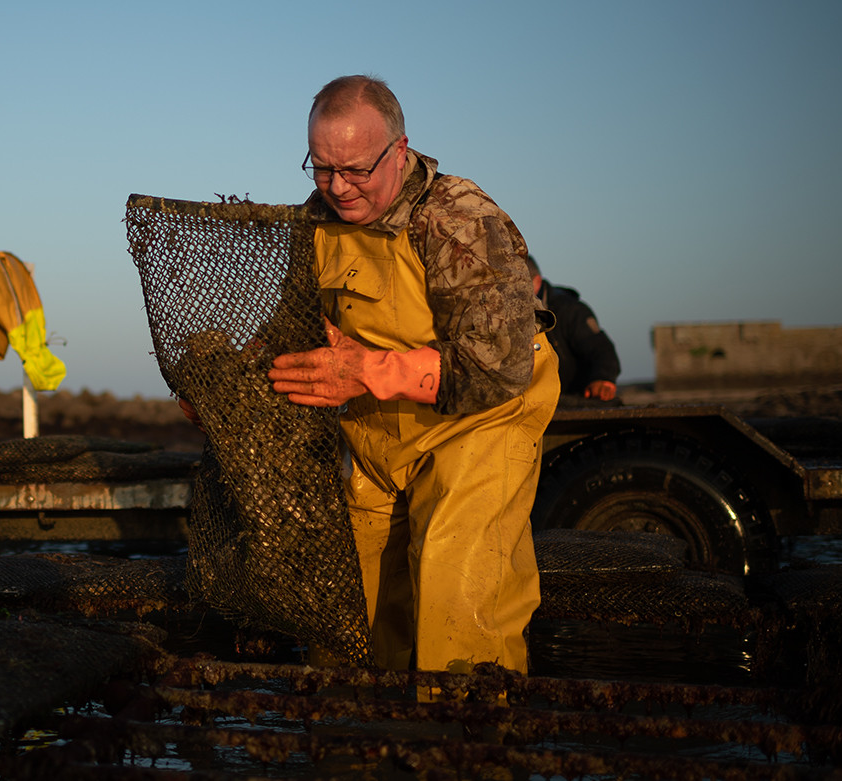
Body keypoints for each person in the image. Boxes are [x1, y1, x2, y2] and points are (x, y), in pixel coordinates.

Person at [266, 75, 560, 676]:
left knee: (456, 600)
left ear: (399, 152)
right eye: (320, 168)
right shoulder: (315, 222)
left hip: (478, 428)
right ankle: (359, 748)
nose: (338, 187)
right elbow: (293, 330)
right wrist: (235, 381)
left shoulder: (458, 220)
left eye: (355, 169)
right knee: (351, 614)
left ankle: (470, 744)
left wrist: (365, 368)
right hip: (380, 436)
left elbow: (497, 369)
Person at [524, 254, 621, 402]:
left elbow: (600, 348)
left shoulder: (570, 310)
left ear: (536, 281)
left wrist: (603, 378)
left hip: (572, 398)